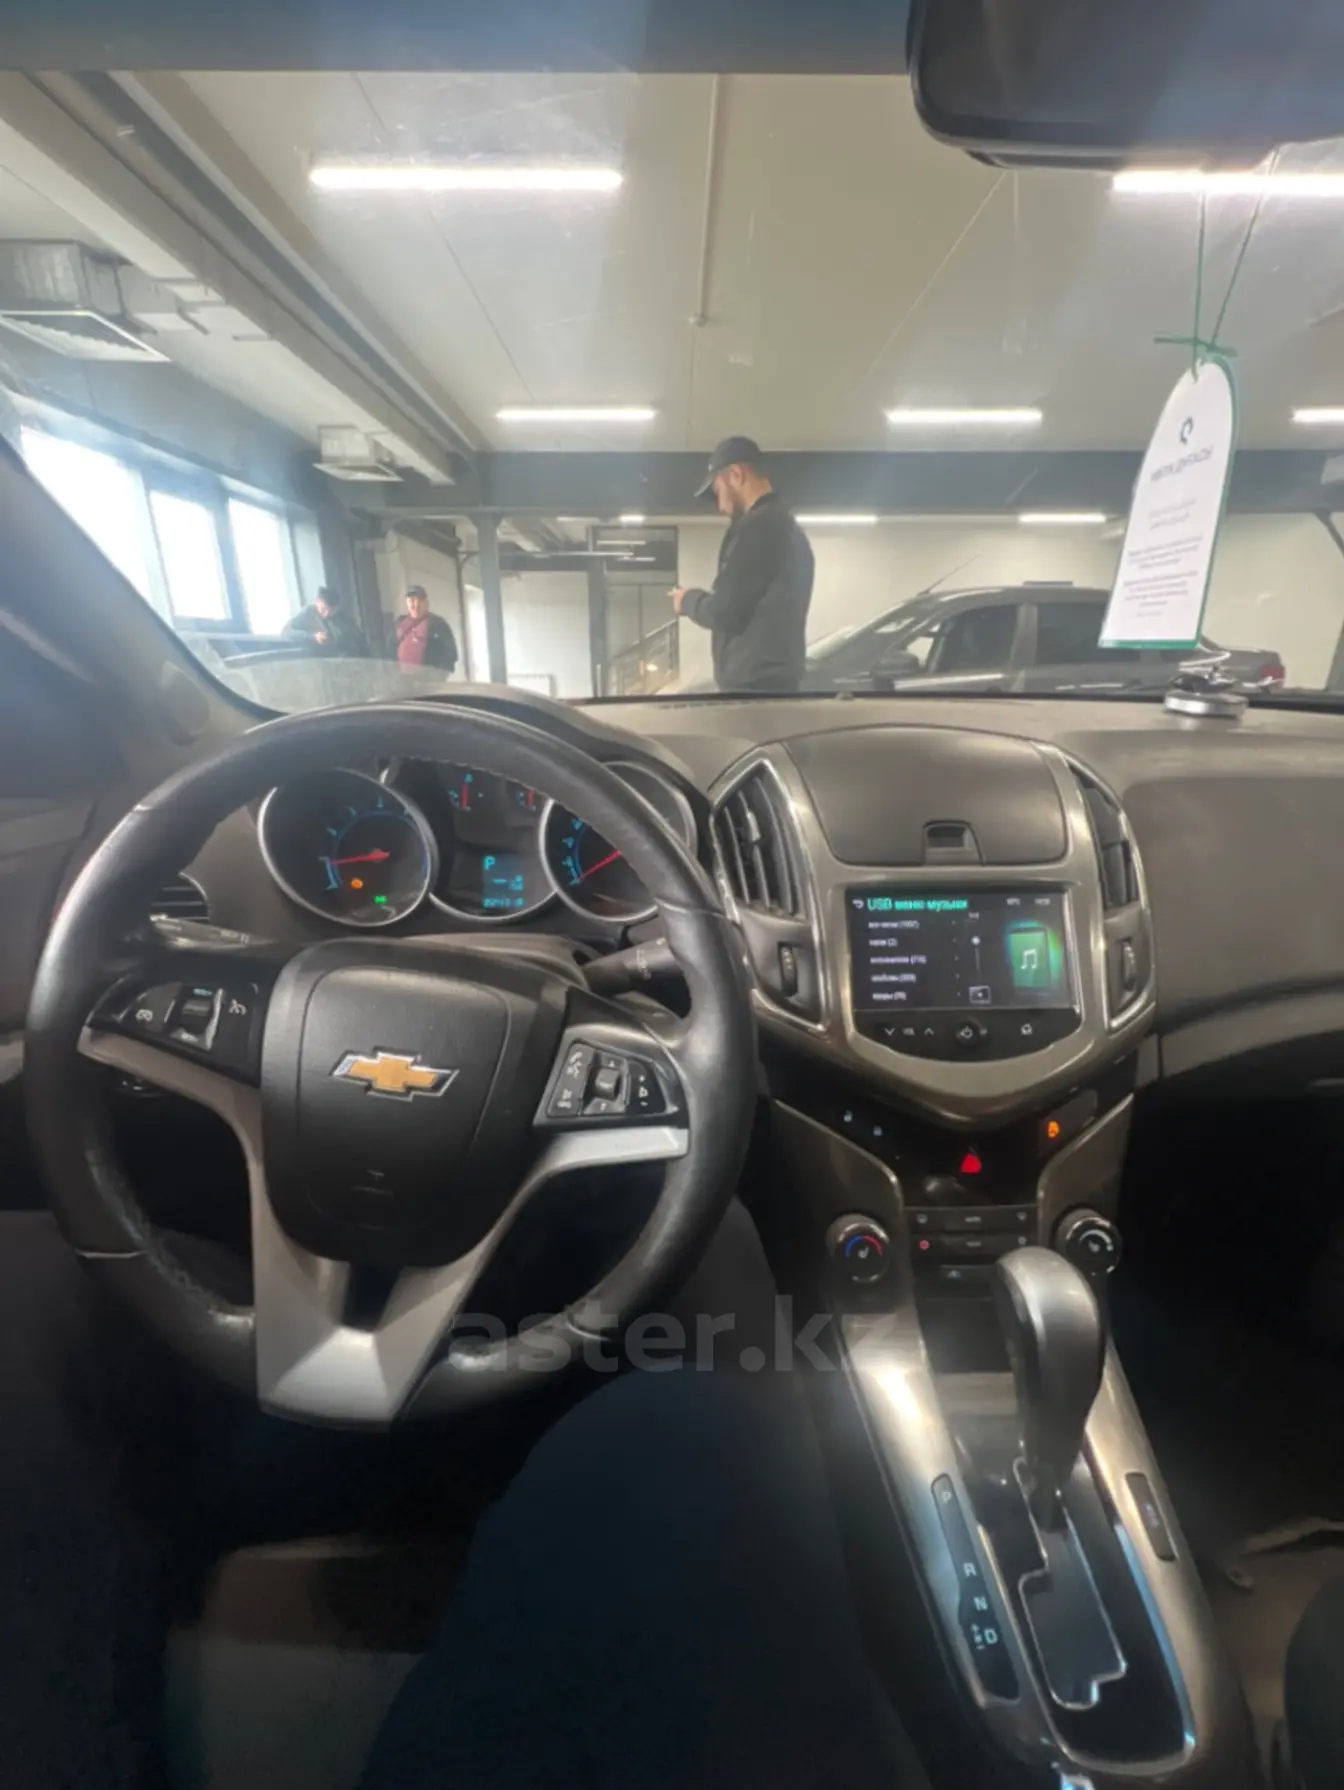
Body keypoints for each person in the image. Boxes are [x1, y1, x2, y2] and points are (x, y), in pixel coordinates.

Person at [671, 436, 815, 694]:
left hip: (754, 694)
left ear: (736, 475)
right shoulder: (787, 528)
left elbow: (724, 612)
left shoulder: (760, 528)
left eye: (718, 492)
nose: (720, 506)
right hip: (772, 688)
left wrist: (687, 600)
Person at [390, 584, 459, 675]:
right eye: (412, 600)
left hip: (428, 680)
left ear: (427, 603)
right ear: (407, 603)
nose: (416, 605)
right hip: (401, 679)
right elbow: (389, 650)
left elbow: (451, 654)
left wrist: (437, 677)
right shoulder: (399, 623)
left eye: (420, 600)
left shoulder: (438, 624)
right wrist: (393, 674)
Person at [283, 586, 368, 655]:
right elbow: (287, 631)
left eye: (332, 611)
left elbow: (360, 640)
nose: (327, 614)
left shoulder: (343, 616)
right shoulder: (308, 613)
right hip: (318, 660)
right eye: (323, 609)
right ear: (316, 601)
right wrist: (313, 637)